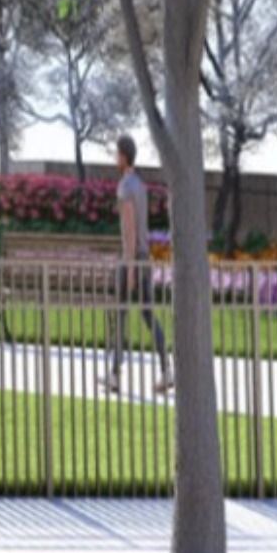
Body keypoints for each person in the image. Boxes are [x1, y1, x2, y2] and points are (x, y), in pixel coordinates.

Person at [101, 136, 173, 396]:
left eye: (116, 153)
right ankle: (166, 369)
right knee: (147, 313)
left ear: (123, 156)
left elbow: (130, 230)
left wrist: (130, 268)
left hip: (131, 258)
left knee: (121, 312)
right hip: (145, 256)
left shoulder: (124, 187)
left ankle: (114, 375)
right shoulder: (140, 186)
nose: (114, 158)